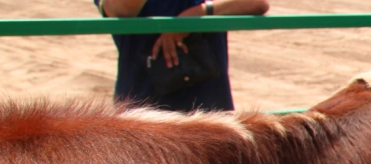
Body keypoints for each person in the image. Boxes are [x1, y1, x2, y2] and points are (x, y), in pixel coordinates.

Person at [96, 0, 270, 112]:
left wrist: (196, 15)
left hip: (208, 109)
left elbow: (258, 4)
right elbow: (121, 11)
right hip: (145, 111)